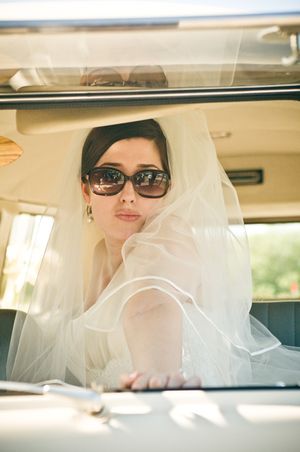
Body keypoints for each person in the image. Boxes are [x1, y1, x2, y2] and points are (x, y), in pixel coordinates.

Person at [7, 108, 300, 389]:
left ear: (167, 190)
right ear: (86, 190)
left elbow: (149, 303)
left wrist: (156, 378)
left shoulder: (170, 239)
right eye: (110, 177)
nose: (129, 195)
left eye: (148, 179)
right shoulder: (97, 255)